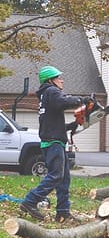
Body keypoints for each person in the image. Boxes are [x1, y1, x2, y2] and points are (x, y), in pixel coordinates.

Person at [20, 66, 88, 223]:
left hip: (52, 140)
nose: (61, 80)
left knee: (64, 179)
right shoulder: (51, 91)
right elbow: (63, 102)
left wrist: (70, 126)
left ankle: (63, 212)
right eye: (58, 77)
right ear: (50, 80)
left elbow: (51, 122)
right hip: (53, 142)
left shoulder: (46, 95)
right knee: (56, 175)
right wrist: (82, 100)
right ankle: (30, 201)